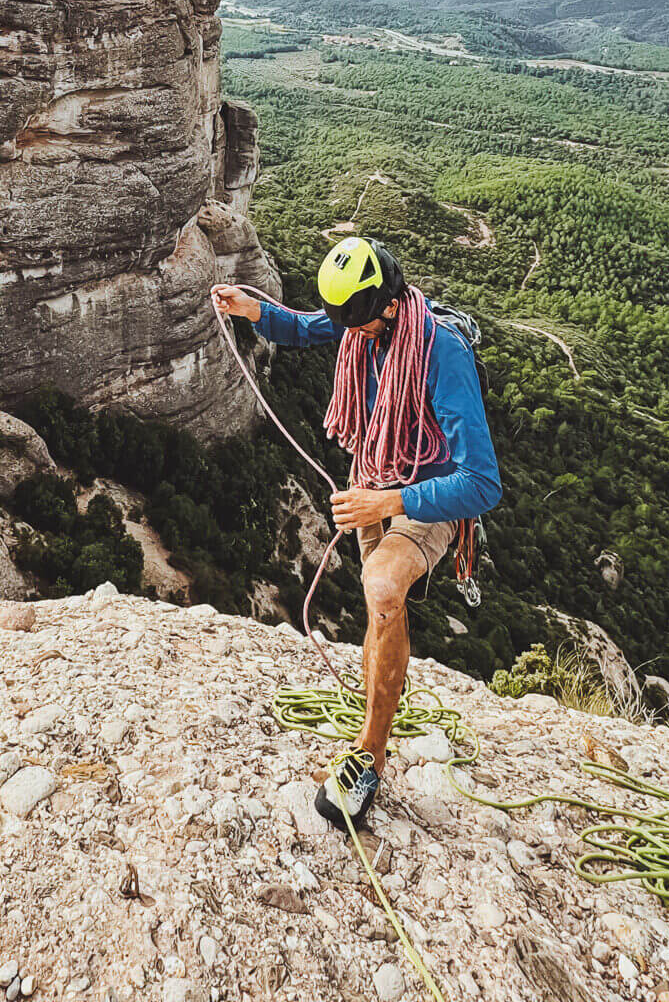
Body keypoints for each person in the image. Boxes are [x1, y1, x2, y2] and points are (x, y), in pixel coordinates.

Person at [213, 236, 501, 830]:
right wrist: (253, 310)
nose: (353, 335)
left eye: (360, 326)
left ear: (389, 305)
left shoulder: (441, 354)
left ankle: (369, 759)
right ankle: (378, 696)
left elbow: (482, 482)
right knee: (379, 611)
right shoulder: (361, 321)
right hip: (377, 472)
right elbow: (306, 328)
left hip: (424, 491)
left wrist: (389, 501)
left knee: (382, 590)